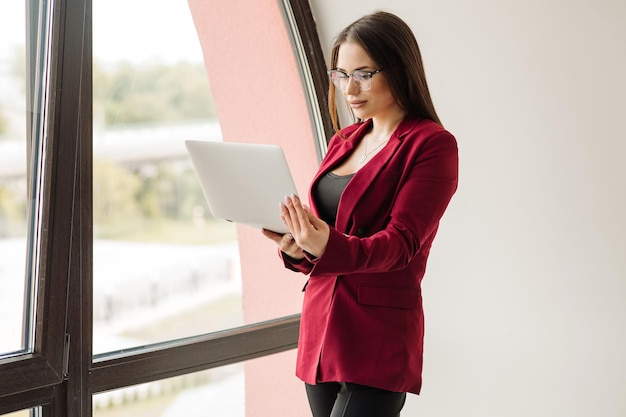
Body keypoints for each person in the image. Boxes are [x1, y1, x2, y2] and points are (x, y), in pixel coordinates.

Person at [262, 10, 458, 417]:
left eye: (364, 74)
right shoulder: (345, 140)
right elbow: (330, 231)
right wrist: (300, 248)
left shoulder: (432, 145)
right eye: (340, 75)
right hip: (321, 326)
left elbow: (401, 244)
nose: (349, 88)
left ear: (400, 69)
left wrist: (326, 244)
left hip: (377, 335)